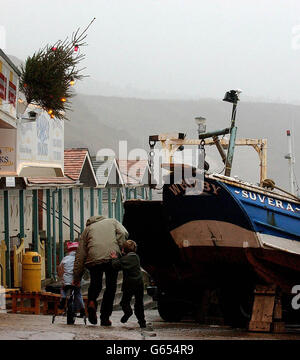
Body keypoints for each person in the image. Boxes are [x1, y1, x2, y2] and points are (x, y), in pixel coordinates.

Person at [73, 215, 128, 326]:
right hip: (112, 257)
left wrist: (77, 276)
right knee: (111, 287)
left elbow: (80, 254)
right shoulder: (112, 221)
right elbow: (123, 232)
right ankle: (105, 318)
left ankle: (92, 302)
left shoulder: (87, 230)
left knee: (95, 283)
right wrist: (121, 247)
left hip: (94, 258)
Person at [111, 240, 147, 328]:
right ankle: (142, 321)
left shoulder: (125, 259)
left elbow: (116, 265)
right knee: (139, 303)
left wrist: (114, 257)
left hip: (129, 284)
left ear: (123, 250)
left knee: (124, 302)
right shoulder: (136, 257)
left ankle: (128, 312)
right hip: (139, 283)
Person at [57, 242, 85, 317]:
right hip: (77, 282)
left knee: (63, 289)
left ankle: (63, 299)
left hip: (67, 282)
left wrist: (61, 278)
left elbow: (60, 268)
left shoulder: (65, 258)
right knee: (78, 294)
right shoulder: (80, 259)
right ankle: (82, 310)